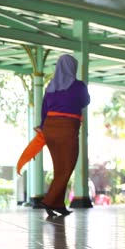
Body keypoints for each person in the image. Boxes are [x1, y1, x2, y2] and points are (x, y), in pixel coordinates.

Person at [37, 54, 90, 217]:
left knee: (59, 168)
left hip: (49, 128)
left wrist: (41, 126)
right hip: (67, 128)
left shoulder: (50, 87)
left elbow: (44, 109)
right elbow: (86, 101)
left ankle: (58, 205)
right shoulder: (78, 85)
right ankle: (49, 200)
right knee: (67, 167)